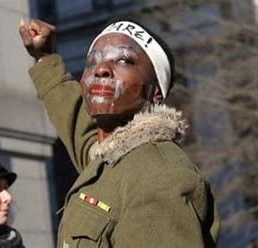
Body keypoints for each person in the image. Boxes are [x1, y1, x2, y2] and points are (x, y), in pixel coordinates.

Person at [19, 19, 220, 247]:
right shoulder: (110, 161)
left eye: (124, 60)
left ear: (156, 92)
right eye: (92, 61)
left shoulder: (159, 176)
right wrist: (45, 57)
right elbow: (76, 123)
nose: (101, 69)